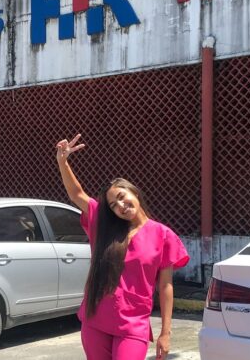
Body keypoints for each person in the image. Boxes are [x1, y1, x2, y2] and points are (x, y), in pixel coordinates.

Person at [55, 134, 190, 360]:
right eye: (113, 205)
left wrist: (165, 333)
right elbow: (77, 194)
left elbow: (165, 286)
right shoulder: (104, 228)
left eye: (121, 196)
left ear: (134, 192)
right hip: (96, 318)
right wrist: (63, 161)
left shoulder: (163, 235)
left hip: (133, 324)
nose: (120, 206)